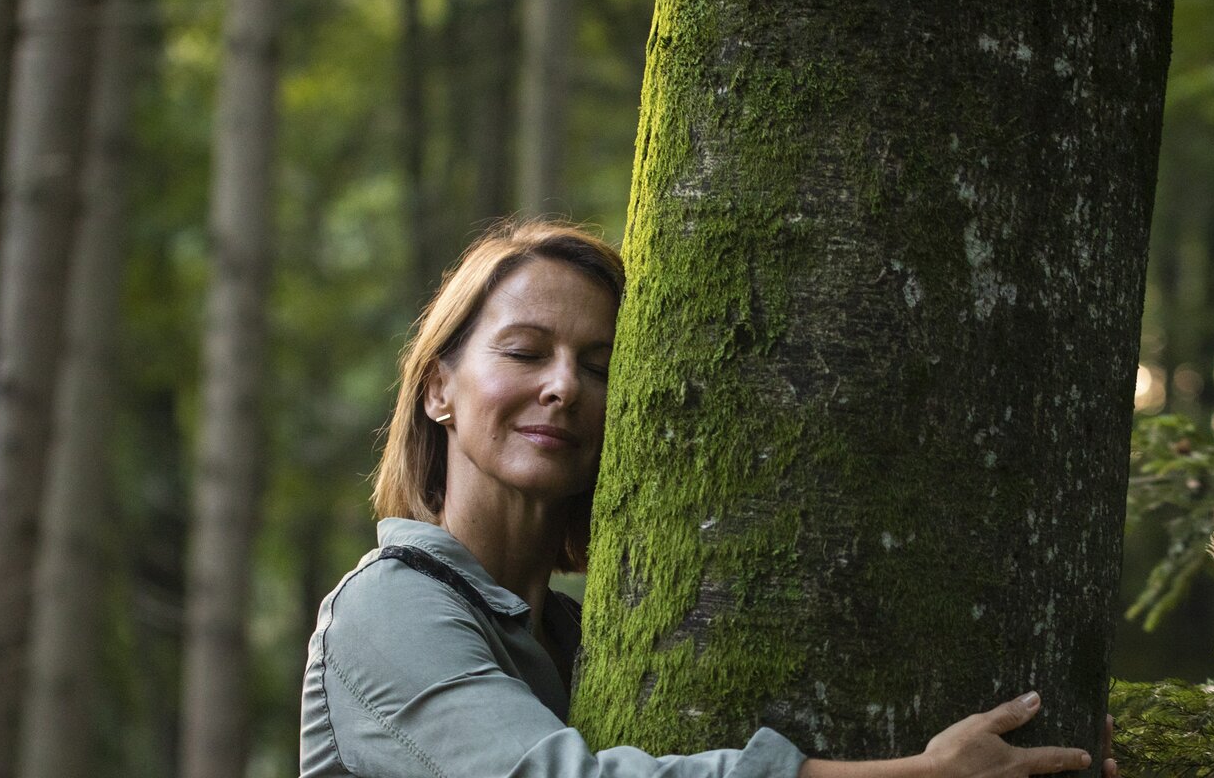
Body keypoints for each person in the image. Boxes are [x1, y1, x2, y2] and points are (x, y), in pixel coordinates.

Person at [300, 220, 1117, 778]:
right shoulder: (385, 610)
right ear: (439, 388)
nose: (563, 388)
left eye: (598, 365)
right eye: (524, 352)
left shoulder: (594, 641)